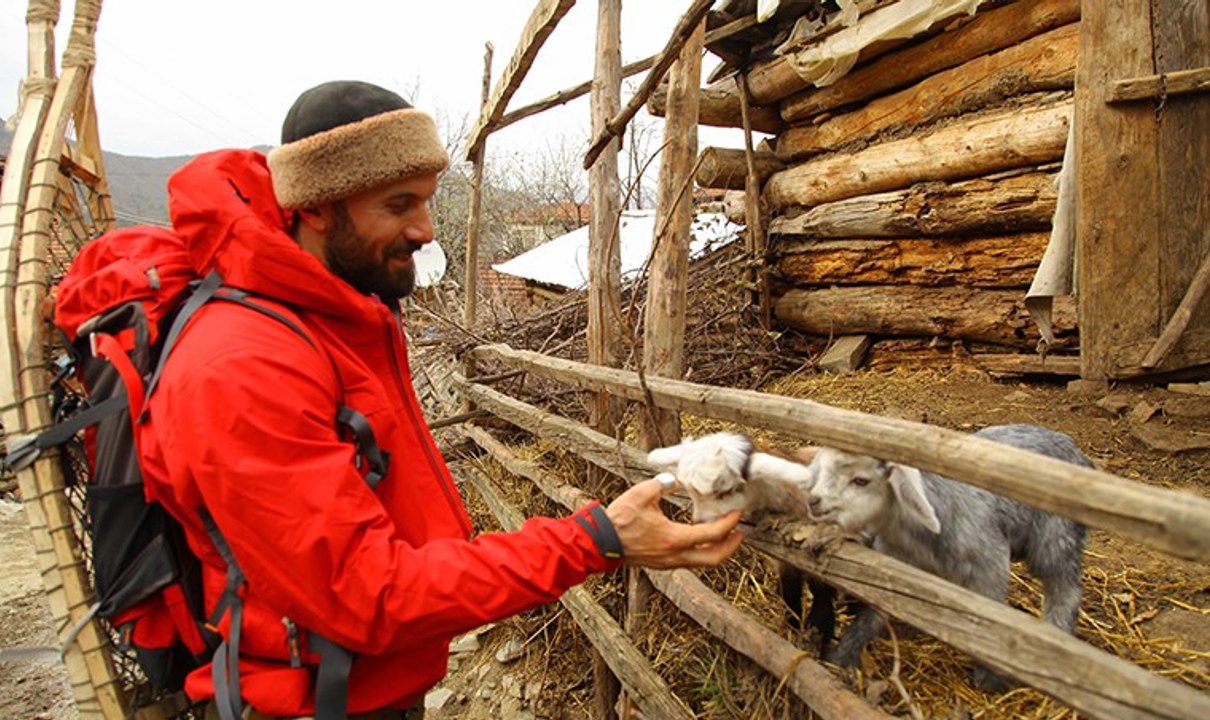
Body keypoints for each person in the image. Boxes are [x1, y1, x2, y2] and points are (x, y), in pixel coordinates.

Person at [137, 80, 744, 720]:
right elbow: (367, 594)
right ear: (314, 207)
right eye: (398, 204)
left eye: (426, 200)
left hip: (366, 685)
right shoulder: (244, 366)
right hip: (307, 703)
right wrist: (594, 539)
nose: (425, 230)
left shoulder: (341, 314)